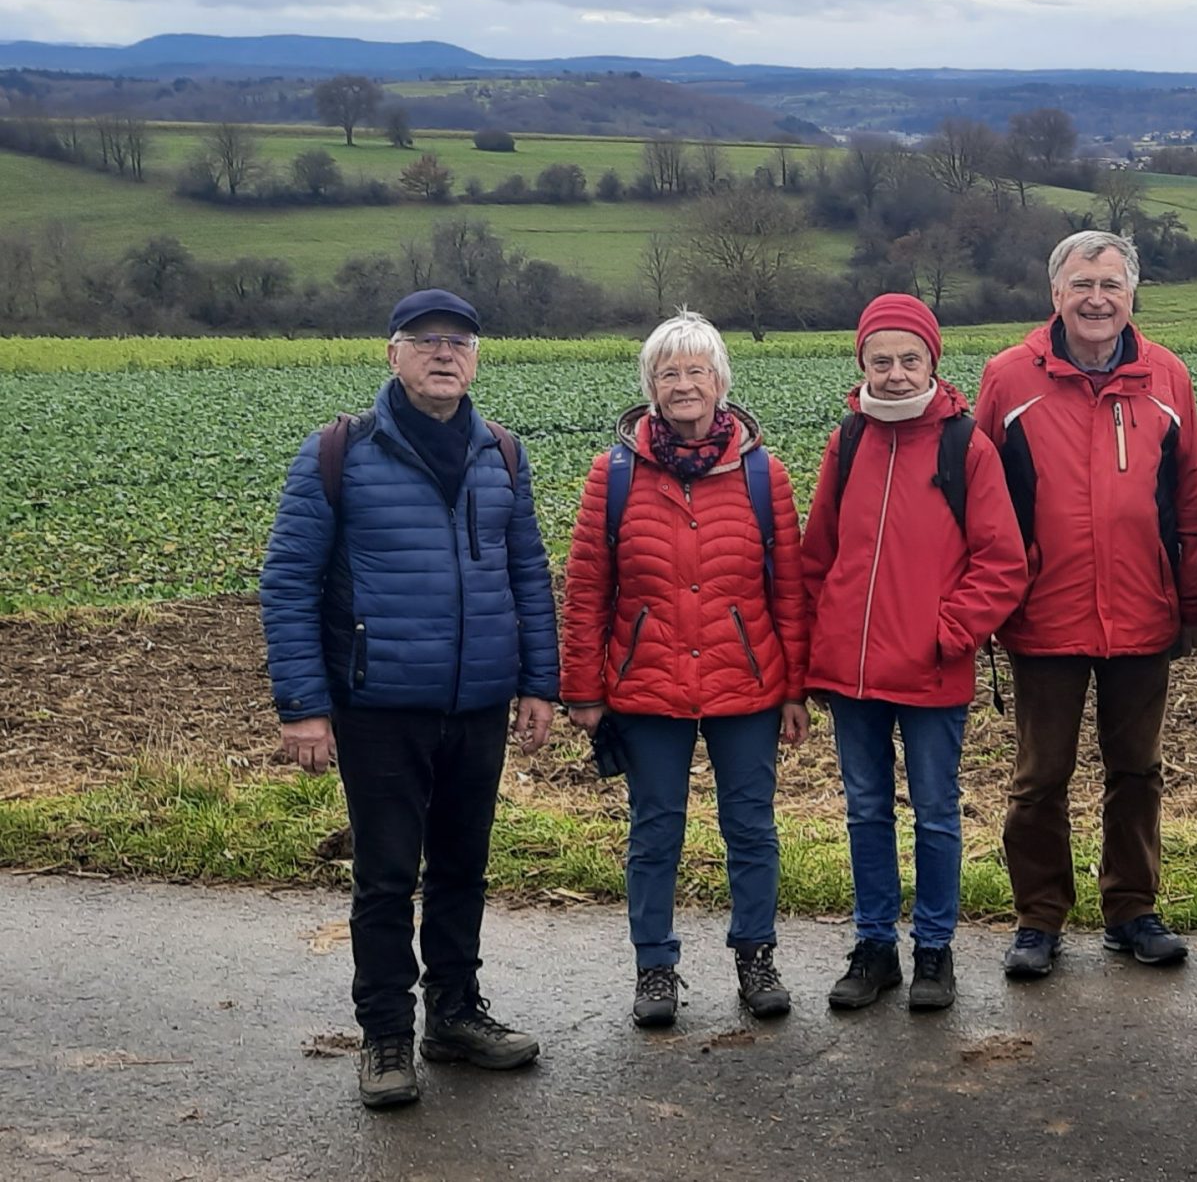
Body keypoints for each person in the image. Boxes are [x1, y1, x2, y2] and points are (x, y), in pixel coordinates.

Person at [259, 288, 559, 1110]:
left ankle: (454, 1015)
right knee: (388, 876)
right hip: (378, 704)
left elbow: (528, 574)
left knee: (463, 867)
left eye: (458, 342)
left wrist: (539, 682)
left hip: (477, 704)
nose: (443, 354)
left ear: (475, 358)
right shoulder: (337, 453)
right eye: (424, 339)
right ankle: (386, 1033)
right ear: (391, 354)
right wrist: (302, 705)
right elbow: (288, 583)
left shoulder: (503, 452)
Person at [560, 311, 810, 1030]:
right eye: (668, 373)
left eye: (697, 371)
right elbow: (586, 591)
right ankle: (656, 968)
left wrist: (794, 689)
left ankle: (756, 957)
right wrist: (582, 688)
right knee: (655, 831)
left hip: (748, 685)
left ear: (721, 382)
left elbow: (788, 592)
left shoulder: (765, 475)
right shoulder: (612, 476)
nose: (683, 385)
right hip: (647, 686)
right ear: (650, 388)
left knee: (752, 828)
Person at [977, 230, 1197, 979]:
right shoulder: (1009, 380)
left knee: (1137, 770)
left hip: (1143, 610)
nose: (1096, 299)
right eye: (1082, 284)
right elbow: (981, 501)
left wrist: (1194, 602)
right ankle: (1038, 918)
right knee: (1039, 776)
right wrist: (992, 600)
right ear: (1055, 295)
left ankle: (1131, 910)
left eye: (1111, 284)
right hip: (1042, 613)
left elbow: (1194, 502)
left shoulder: (1166, 378)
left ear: (1132, 294)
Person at [801, 294, 1027, 1015]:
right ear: (861, 364)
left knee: (934, 812)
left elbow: (1003, 564)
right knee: (866, 812)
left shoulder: (967, 447)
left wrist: (946, 633)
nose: (895, 374)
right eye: (881, 360)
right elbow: (818, 556)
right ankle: (874, 948)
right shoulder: (848, 441)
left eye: (909, 360)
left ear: (933, 362)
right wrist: (819, 645)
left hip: (933, 671)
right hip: (853, 674)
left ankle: (934, 949)